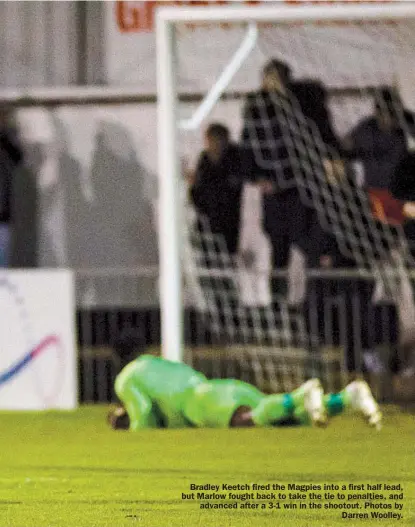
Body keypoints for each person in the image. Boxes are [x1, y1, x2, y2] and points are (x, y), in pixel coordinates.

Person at [241, 59, 341, 299]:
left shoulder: (304, 107)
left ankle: (313, 300)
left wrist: (329, 162)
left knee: (309, 244)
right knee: (279, 251)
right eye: (270, 80)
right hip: (275, 192)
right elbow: (248, 148)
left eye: (279, 79)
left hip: (302, 189)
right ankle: (278, 304)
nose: (275, 85)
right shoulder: (257, 111)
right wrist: (256, 177)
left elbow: (323, 137)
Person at [107, 352, 382, 431]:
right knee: (284, 417)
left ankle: (303, 392)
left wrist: (129, 424)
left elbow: (143, 417)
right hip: (220, 387)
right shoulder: (152, 362)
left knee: (251, 419)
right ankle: (348, 397)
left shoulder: (125, 379)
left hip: (199, 403)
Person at [189, 123, 247, 256]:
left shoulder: (235, 159)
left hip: (227, 222)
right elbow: (198, 194)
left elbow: (229, 190)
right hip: (206, 221)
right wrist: (194, 184)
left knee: (225, 259)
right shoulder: (204, 158)